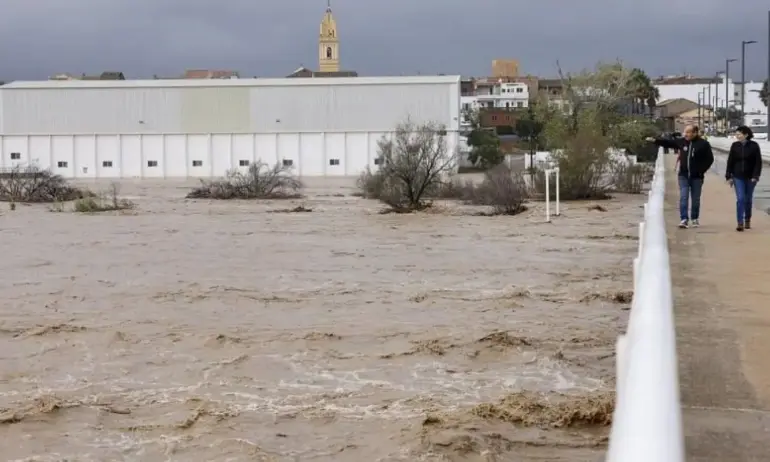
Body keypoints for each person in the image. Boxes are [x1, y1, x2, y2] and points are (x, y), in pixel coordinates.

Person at [646, 125, 714, 228]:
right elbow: (668, 143)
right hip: (683, 176)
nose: (685, 134)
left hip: (697, 177)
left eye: (688, 132)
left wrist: (701, 170)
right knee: (683, 197)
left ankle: (694, 218)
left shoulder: (704, 144)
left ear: (695, 133)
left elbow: (709, 159)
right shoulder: (682, 142)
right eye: (685, 132)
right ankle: (684, 219)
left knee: (695, 199)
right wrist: (655, 140)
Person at [725, 125, 762, 231]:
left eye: (739, 134)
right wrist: (728, 175)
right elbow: (730, 161)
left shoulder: (754, 146)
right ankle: (740, 222)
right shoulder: (735, 146)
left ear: (746, 134)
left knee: (748, 199)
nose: (737, 136)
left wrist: (756, 176)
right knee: (740, 199)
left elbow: (758, 162)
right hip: (738, 176)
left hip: (751, 177)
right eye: (736, 134)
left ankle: (747, 219)